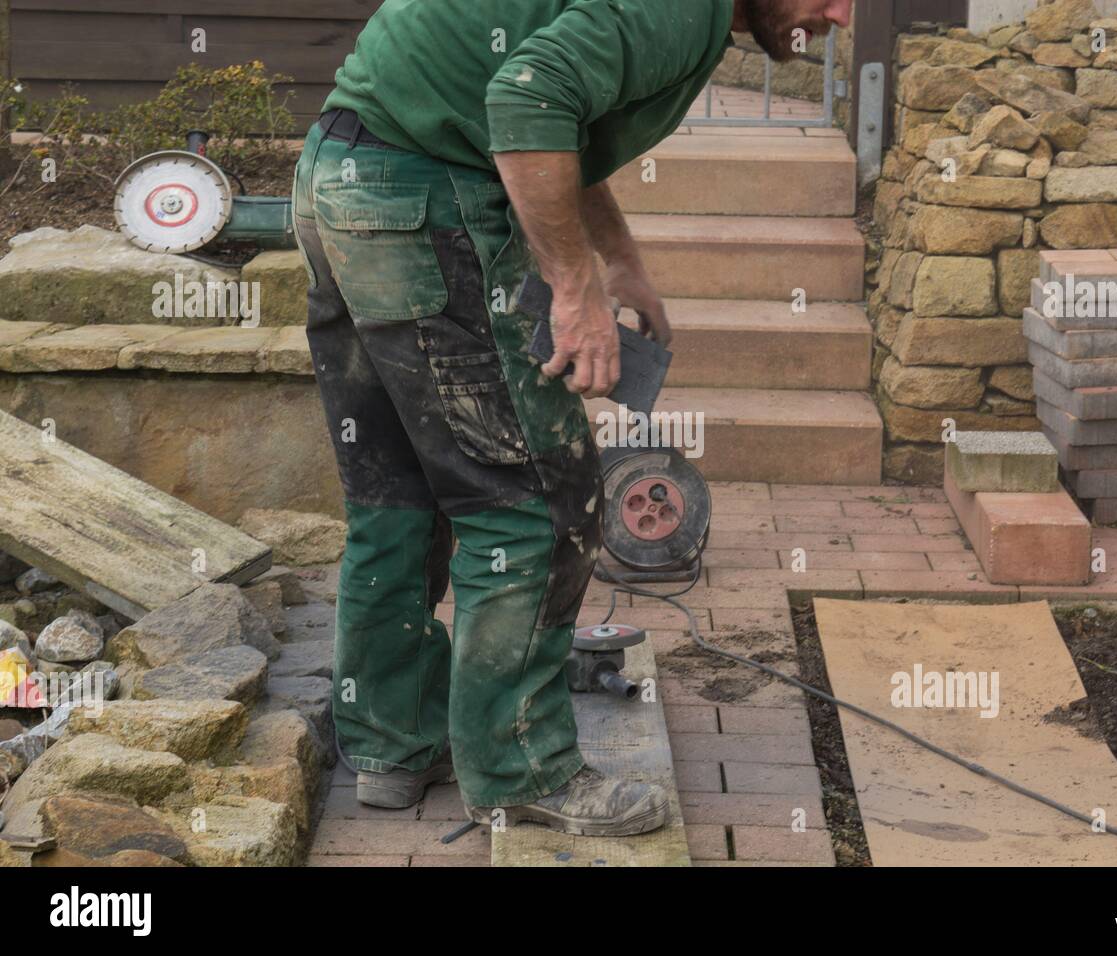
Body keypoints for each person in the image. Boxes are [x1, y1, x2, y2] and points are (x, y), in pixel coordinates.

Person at [291, 0, 850, 837]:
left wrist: (617, 260)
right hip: (419, 202)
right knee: (536, 502)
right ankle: (520, 772)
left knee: (397, 491)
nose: (840, 12)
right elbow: (525, 102)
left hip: (339, 178)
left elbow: (558, 118)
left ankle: (390, 742)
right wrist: (575, 289)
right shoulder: (685, 9)